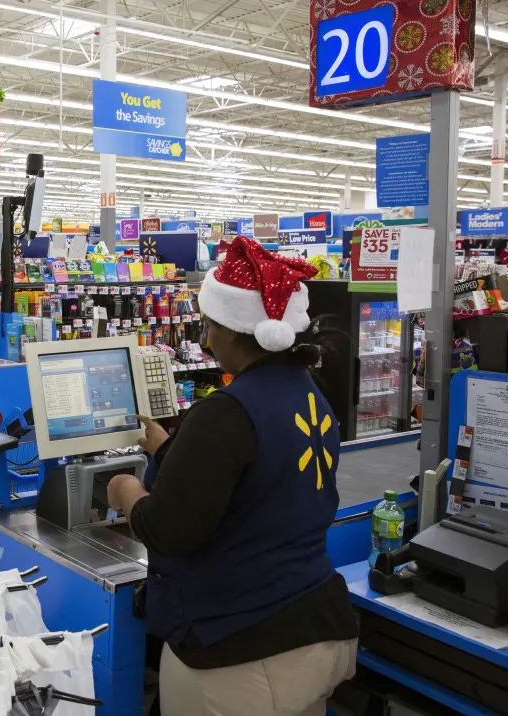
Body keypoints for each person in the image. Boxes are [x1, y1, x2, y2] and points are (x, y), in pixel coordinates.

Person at [107, 237, 358, 716]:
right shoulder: (305, 391)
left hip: (242, 651)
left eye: (209, 325)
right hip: (315, 624)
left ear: (232, 330)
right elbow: (262, 474)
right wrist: (169, 448)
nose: (205, 339)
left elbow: (166, 529)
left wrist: (125, 491)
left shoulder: (225, 413)